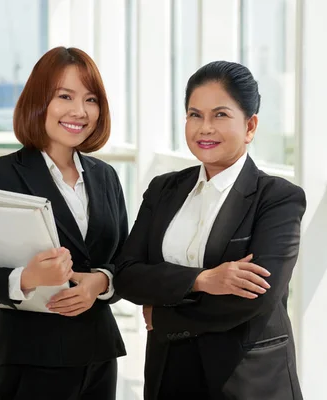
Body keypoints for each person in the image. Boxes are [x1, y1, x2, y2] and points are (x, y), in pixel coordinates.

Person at [0, 47, 128, 400]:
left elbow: (126, 261)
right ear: (39, 101)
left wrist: (101, 282)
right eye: (65, 96)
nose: (79, 111)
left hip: (100, 356)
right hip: (32, 359)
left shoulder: (106, 177)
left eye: (90, 99)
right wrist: (24, 279)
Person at [114, 61, 306, 400]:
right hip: (170, 376)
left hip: (247, 381)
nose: (205, 128)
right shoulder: (163, 190)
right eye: (194, 115)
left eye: (220, 115)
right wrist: (202, 280)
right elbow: (128, 275)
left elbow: (255, 297)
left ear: (250, 126)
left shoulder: (277, 199)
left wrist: (163, 314)